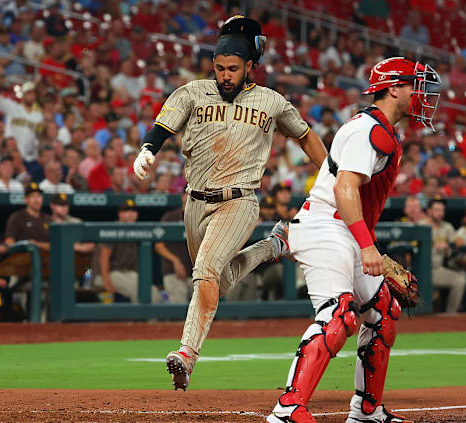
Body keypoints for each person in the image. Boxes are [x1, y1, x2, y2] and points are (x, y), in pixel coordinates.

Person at [131, 16, 328, 391]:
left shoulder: (271, 101)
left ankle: (187, 353)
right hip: (196, 202)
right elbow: (163, 127)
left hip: (239, 201)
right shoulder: (192, 92)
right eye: (220, 67)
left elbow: (305, 137)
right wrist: (147, 149)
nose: (225, 75)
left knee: (204, 272)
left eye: (233, 69)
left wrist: (332, 175)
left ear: (251, 67)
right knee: (214, 282)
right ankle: (272, 247)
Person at [266, 57, 440, 423]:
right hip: (324, 227)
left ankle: (366, 411)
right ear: (394, 88)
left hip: (341, 227)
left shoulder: (380, 129)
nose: (420, 94)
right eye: (414, 85)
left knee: (384, 312)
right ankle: (287, 409)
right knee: (339, 314)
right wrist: (366, 245)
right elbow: (346, 187)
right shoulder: (369, 130)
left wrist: (362, 240)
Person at [94, 199, 163, 303]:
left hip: (126, 274)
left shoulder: (136, 230)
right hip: (107, 274)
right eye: (127, 211)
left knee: (153, 291)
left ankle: (153, 318)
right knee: (139, 291)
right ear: (120, 214)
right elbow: (104, 256)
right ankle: (144, 317)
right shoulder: (114, 228)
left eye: (133, 211)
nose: (130, 214)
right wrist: (106, 281)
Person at [419, 198, 466, 314]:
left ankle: (450, 314)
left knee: (460, 280)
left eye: (442, 210)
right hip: (420, 270)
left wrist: (448, 244)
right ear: (429, 211)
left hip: (436, 270)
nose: (440, 213)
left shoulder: (447, 227)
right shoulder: (421, 226)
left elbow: (459, 241)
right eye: (436, 210)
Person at [0, 66, 43, 162]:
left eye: (33, 94)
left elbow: (39, 138)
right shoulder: (13, 107)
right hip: (10, 154)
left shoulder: (39, 116)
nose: (32, 96)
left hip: (29, 157)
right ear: (23, 95)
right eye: (29, 93)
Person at [154, 190, 194, 303]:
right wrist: (175, 261)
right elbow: (158, 245)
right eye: (189, 193)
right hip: (174, 272)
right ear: (182, 197)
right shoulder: (170, 217)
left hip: (195, 274)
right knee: (179, 308)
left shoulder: (202, 218)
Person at [4, 182, 50, 252]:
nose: (36, 200)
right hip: (24, 257)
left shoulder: (48, 218)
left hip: (46, 257)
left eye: (38, 196)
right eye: (32, 196)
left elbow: (55, 244)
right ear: (26, 200)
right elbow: (9, 242)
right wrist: (24, 246)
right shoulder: (17, 217)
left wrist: (37, 244)